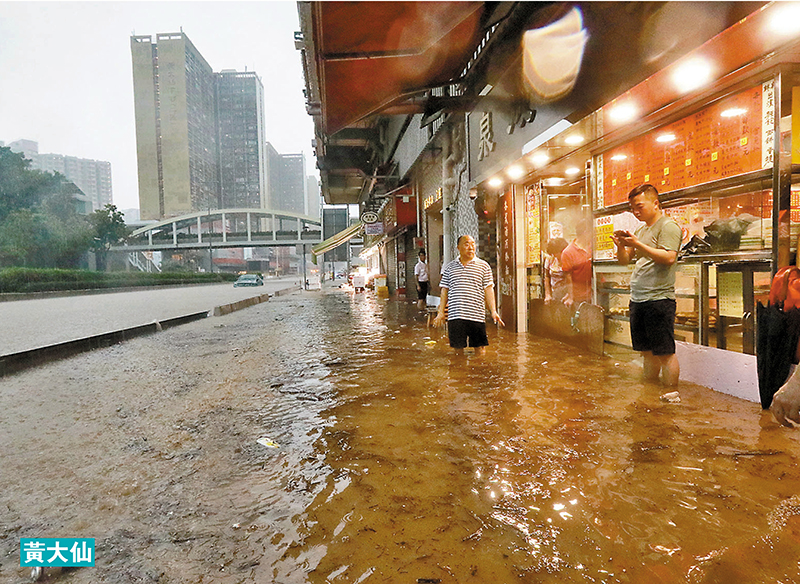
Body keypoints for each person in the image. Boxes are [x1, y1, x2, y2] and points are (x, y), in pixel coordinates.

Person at [611, 184, 683, 386]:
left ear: (655, 203)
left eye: (639, 207)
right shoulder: (641, 230)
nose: (636, 212)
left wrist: (638, 244)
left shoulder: (668, 226)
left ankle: (671, 396)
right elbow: (625, 261)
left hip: (659, 299)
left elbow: (669, 258)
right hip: (638, 299)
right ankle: (650, 394)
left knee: (665, 352)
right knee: (647, 352)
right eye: (632, 208)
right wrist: (621, 247)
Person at [433, 235, 504, 355]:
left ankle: (479, 372)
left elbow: (489, 290)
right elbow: (444, 291)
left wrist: (493, 311)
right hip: (456, 315)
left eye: (473, 244)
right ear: (458, 248)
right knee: (457, 351)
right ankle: (459, 373)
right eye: (466, 244)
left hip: (476, 315)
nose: (471, 247)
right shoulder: (450, 267)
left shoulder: (483, 266)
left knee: (480, 349)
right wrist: (441, 313)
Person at [561, 219, 593, 309]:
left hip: (597, 293)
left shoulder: (594, 246)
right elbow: (568, 277)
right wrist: (570, 297)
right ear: (586, 232)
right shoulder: (568, 252)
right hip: (579, 297)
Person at [544, 237, 569, 304]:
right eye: (553, 253)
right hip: (555, 293)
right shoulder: (550, 259)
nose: (554, 255)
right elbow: (547, 277)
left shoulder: (568, 259)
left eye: (556, 253)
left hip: (567, 293)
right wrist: (548, 294)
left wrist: (570, 295)